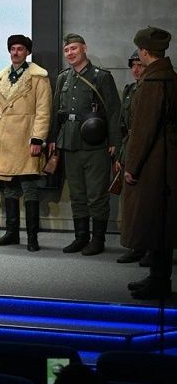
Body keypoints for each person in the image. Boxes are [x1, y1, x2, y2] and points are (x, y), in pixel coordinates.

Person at [48, 34, 121, 256]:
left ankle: (98, 240)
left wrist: (114, 141)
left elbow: (114, 111)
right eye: (67, 50)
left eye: (74, 48)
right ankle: (81, 237)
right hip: (70, 143)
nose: (70, 53)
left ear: (84, 48)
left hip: (95, 144)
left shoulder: (101, 76)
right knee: (77, 194)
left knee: (97, 195)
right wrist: (53, 139)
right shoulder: (64, 78)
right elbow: (56, 111)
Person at [0, 35, 51, 251]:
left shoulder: (38, 77)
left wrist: (37, 138)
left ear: (27, 52)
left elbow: (43, 111)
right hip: (4, 140)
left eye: (20, 49)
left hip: (27, 139)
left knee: (29, 189)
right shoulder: (0, 79)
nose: (15, 52)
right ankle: (12, 234)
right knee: (9, 188)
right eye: (12, 49)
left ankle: (32, 237)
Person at [123, 26, 177, 300]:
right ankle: (157, 276)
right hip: (165, 159)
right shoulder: (168, 77)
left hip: (155, 162)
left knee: (154, 218)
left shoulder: (153, 82)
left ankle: (159, 281)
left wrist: (132, 166)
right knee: (161, 219)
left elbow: (143, 130)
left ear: (144, 52)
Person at [116, 51, 149, 264]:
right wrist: (120, 156)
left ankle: (151, 248)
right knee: (131, 204)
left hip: (147, 151)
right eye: (133, 65)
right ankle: (137, 246)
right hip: (129, 148)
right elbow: (122, 127)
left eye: (140, 65)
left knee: (148, 203)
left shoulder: (152, 88)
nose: (136, 70)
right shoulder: (129, 90)